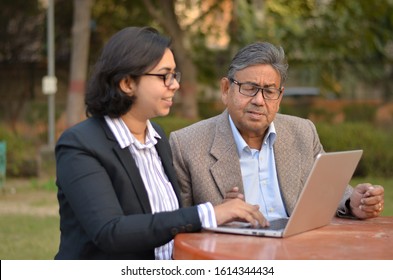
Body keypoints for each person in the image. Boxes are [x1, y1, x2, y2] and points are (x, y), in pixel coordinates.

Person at [54, 27, 266, 260]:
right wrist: (207, 214)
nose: (174, 84)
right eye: (164, 75)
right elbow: (110, 231)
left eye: (175, 75)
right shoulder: (80, 145)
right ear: (126, 83)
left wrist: (221, 212)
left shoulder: (157, 136)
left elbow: (165, 221)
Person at [169, 42, 384, 222]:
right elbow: (176, 222)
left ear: (279, 98)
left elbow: (329, 188)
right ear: (226, 90)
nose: (259, 101)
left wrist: (352, 202)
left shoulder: (302, 132)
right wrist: (215, 217)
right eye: (249, 88)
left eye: (269, 91)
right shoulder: (187, 144)